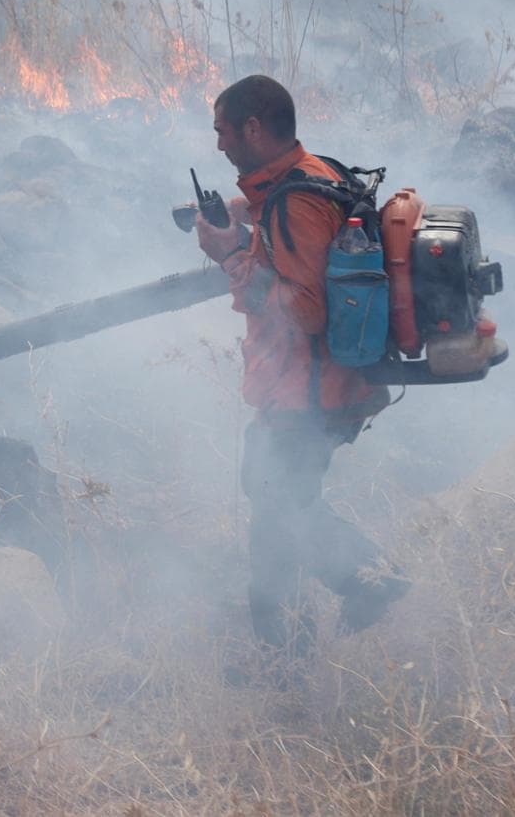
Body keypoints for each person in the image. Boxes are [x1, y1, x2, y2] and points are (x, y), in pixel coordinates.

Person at [193, 75, 408, 657]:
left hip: (309, 395)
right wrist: (243, 220)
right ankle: (294, 637)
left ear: (253, 129)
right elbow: (287, 236)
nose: (219, 146)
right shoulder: (318, 172)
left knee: (277, 512)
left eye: (223, 132)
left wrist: (233, 254)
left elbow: (307, 310)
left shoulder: (297, 201)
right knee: (275, 499)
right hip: (320, 388)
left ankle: (337, 608)